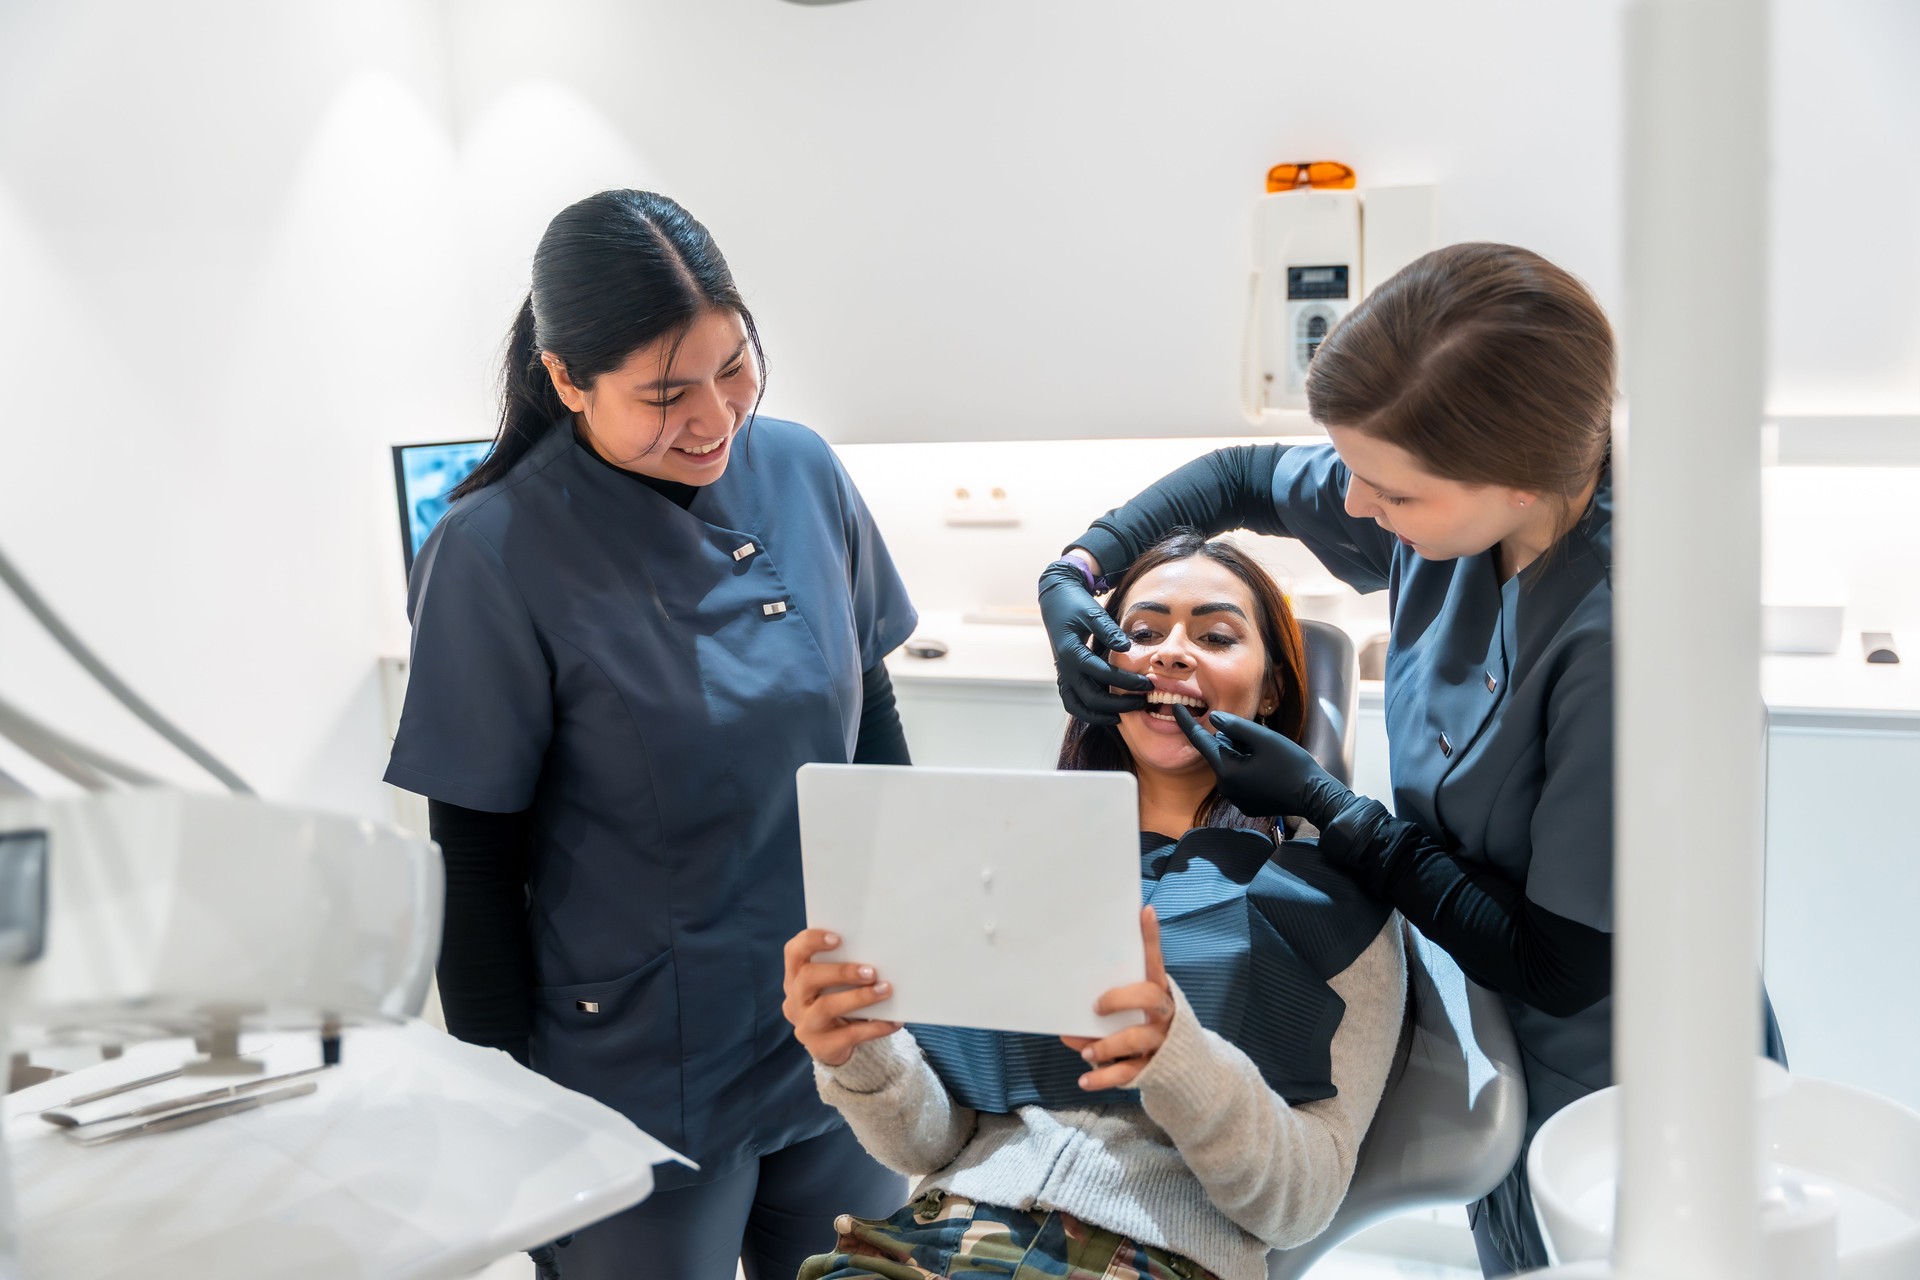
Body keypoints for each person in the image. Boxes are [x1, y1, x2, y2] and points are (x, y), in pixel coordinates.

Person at [1036, 242, 1787, 1274]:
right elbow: (1240, 477)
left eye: (1387, 488)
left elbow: (1555, 965)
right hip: (1514, 1047)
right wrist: (1080, 564)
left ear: (1515, 482)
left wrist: (1331, 810)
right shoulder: (1443, 518)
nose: (1351, 504)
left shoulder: (1633, 645)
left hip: (1630, 1087)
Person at [383, 189, 917, 1280]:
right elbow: (471, 859)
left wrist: (922, 948)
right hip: (634, 1071)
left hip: (839, 1037)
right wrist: (502, 1107)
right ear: (567, 380)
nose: (715, 417)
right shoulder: (493, 552)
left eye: (734, 366)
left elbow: (877, 725)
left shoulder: (805, 470)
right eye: (666, 393)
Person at [783, 532, 1406, 1280]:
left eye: (1214, 635)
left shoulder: (1338, 894)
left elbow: (1298, 1207)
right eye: (1139, 633)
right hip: (935, 1246)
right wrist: (859, 1051)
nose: (1168, 653)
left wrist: (1178, 1058)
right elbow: (930, 1145)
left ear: (1272, 687)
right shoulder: (1011, 851)